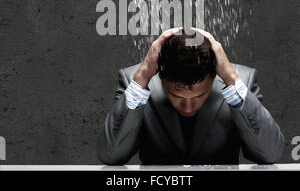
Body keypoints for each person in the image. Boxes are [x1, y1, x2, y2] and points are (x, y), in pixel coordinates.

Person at [97, 27, 284, 165]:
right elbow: (110, 156)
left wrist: (231, 80)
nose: (188, 108)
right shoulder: (135, 81)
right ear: (161, 76)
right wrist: (141, 80)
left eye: (199, 96)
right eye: (177, 96)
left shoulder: (240, 80)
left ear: (213, 76)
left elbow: (270, 155)